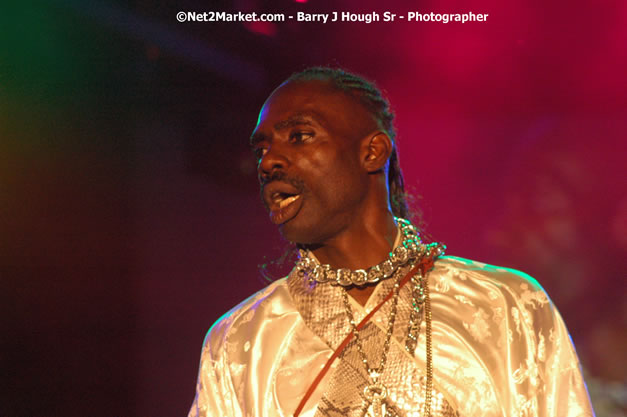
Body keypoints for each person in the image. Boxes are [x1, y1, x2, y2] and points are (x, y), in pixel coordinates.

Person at [187, 67, 594, 417]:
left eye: (299, 135)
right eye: (262, 148)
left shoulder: (507, 306)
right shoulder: (241, 342)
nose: (269, 161)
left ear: (372, 152)